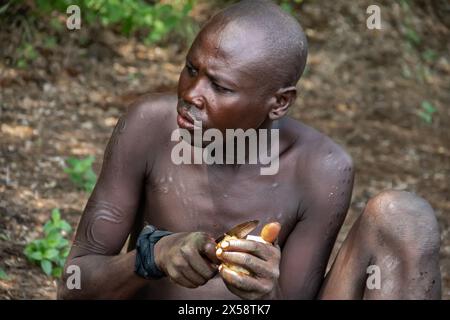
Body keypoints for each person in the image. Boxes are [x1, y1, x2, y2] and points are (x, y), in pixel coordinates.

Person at [58, 0, 441, 299]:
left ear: (279, 103)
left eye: (220, 88)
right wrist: (151, 256)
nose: (192, 95)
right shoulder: (147, 127)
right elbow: (74, 287)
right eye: (191, 69)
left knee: (403, 217)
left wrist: (265, 292)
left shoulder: (321, 168)